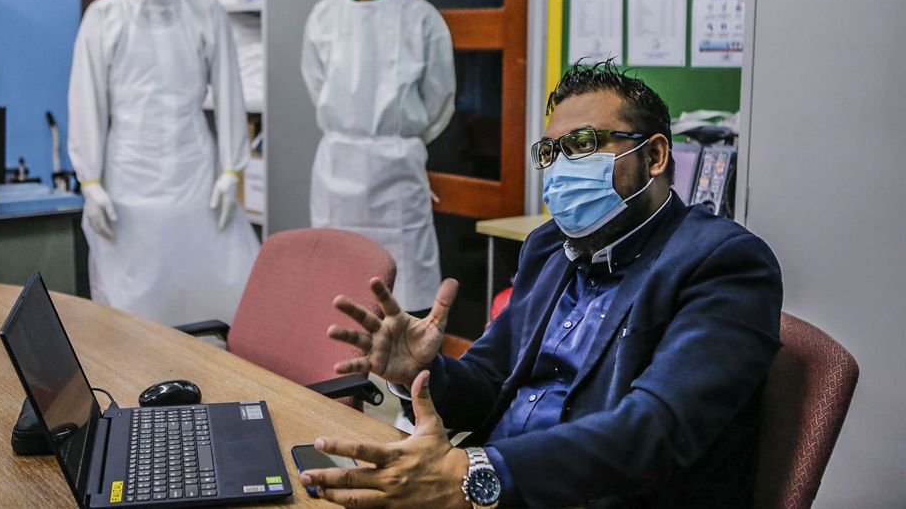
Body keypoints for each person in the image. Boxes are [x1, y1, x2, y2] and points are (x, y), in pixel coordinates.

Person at [300, 62, 783, 508]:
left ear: (654, 155)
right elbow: (491, 381)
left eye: (585, 145)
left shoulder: (723, 262)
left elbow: (652, 431)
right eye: (553, 152)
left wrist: (472, 472)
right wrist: (422, 371)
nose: (562, 167)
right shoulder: (550, 247)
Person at [68, 0, 260, 326]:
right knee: (132, 303)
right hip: (126, 179)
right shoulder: (103, 16)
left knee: (213, 284)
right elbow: (87, 101)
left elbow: (230, 92)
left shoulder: (204, 10)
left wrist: (231, 170)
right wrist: (91, 180)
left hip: (194, 172)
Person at [300, 0, 455, 316]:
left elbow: (440, 100)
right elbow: (317, 85)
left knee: (405, 300)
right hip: (336, 172)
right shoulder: (323, 17)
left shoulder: (422, 18)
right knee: (336, 295)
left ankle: (404, 381)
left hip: (397, 173)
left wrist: (399, 138)